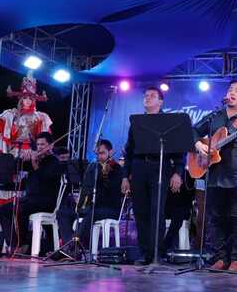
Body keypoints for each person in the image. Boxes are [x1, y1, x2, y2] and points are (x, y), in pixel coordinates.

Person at [193, 80, 237, 271]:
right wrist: (199, 145)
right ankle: (220, 258)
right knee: (216, 218)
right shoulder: (215, 116)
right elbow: (193, 131)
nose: (232, 92)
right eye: (230, 89)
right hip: (215, 175)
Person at [0, 73, 52, 233]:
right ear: (20, 98)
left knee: (27, 186)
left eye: (31, 98)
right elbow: (3, 140)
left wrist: (35, 153)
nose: (27, 100)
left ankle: (24, 232)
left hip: (33, 154)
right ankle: (3, 232)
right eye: (25, 97)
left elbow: (44, 141)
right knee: (7, 184)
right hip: (14, 152)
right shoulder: (11, 115)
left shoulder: (41, 117)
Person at [122, 86, 183, 265]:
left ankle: (156, 252)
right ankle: (144, 253)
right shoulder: (137, 122)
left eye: (152, 96)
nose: (147, 98)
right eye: (146, 95)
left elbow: (179, 151)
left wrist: (178, 172)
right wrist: (125, 176)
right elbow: (129, 151)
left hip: (160, 167)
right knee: (140, 211)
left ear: (160, 102)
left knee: (157, 211)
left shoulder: (169, 122)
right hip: (139, 167)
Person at [0, 132, 62, 254]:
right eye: (38, 144)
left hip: (46, 201)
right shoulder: (37, 159)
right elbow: (17, 168)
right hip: (31, 199)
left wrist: (35, 164)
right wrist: (23, 157)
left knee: (20, 209)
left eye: (42, 144)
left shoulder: (54, 162)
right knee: (3, 209)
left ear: (51, 145)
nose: (39, 147)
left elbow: (43, 179)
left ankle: (23, 244)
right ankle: (14, 243)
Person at [68, 139, 127, 251]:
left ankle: (72, 247)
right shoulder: (94, 168)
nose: (100, 157)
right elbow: (87, 188)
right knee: (65, 213)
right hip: (94, 207)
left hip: (110, 208)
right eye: (98, 154)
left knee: (91, 214)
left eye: (102, 153)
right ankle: (70, 244)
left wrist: (105, 177)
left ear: (111, 152)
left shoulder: (117, 169)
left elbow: (114, 192)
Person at [162, 169, 195, 252]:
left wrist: (179, 176)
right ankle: (162, 247)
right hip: (165, 176)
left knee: (180, 214)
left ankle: (164, 247)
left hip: (186, 177)